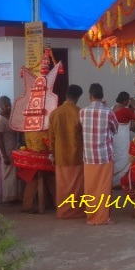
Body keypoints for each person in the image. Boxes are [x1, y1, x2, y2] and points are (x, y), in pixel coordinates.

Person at [79, 83, 118, 225]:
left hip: (88, 156)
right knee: (104, 187)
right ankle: (102, 218)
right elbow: (115, 129)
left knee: (90, 187)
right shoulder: (108, 112)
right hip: (105, 155)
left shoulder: (82, 112)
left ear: (90, 96)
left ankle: (91, 217)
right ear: (102, 96)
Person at [49, 84, 85, 218]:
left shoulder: (55, 113)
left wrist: (53, 152)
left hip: (60, 154)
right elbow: (83, 135)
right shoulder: (79, 112)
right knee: (77, 185)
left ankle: (63, 212)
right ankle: (77, 211)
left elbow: (51, 137)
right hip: (76, 153)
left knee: (63, 185)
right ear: (77, 97)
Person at [0, 96, 21, 204]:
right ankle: (8, 197)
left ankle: (15, 196)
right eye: (5, 106)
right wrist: (4, 155)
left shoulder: (10, 116)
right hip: (6, 148)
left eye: (9, 105)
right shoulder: (0, 119)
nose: (8, 107)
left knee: (14, 172)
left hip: (14, 146)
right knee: (7, 173)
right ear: (0, 107)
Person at [112, 91, 135, 187]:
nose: (128, 102)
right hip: (122, 139)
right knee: (124, 158)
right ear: (125, 101)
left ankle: (113, 182)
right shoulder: (126, 111)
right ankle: (121, 182)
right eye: (128, 100)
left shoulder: (112, 108)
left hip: (113, 139)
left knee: (116, 157)